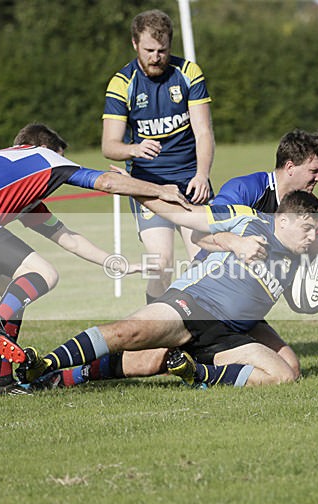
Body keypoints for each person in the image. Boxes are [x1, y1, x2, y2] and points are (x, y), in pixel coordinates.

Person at [36, 129, 318, 388]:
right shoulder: (247, 192)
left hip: (245, 310)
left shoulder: (304, 218)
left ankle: (197, 369)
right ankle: (51, 370)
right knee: (144, 353)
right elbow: (200, 232)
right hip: (207, 294)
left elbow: (313, 270)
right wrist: (235, 243)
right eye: (314, 170)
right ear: (291, 166)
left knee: (288, 369)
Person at [0, 123, 189, 396]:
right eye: (62, 157)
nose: (61, 170)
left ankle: (1, 382)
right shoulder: (43, 156)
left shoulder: (17, 183)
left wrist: (120, 264)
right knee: (45, 274)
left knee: (15, 290)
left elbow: (67, 237)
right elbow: (105, 181)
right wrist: (161, 190)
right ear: (45, 148)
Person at [101, 9, 215, 304]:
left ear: (170, 46)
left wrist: (202, 175)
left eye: (162, 50)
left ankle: (198, 338)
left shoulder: (188, 73)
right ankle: (156, 333)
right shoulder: (122, 83)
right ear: (135, 44)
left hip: (190, 183)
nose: (156, 57)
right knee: (161, 264)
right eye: (149, 50)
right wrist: (133, 149)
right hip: (148, 186)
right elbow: (109, 145)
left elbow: (204, 132)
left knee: (208, 263)